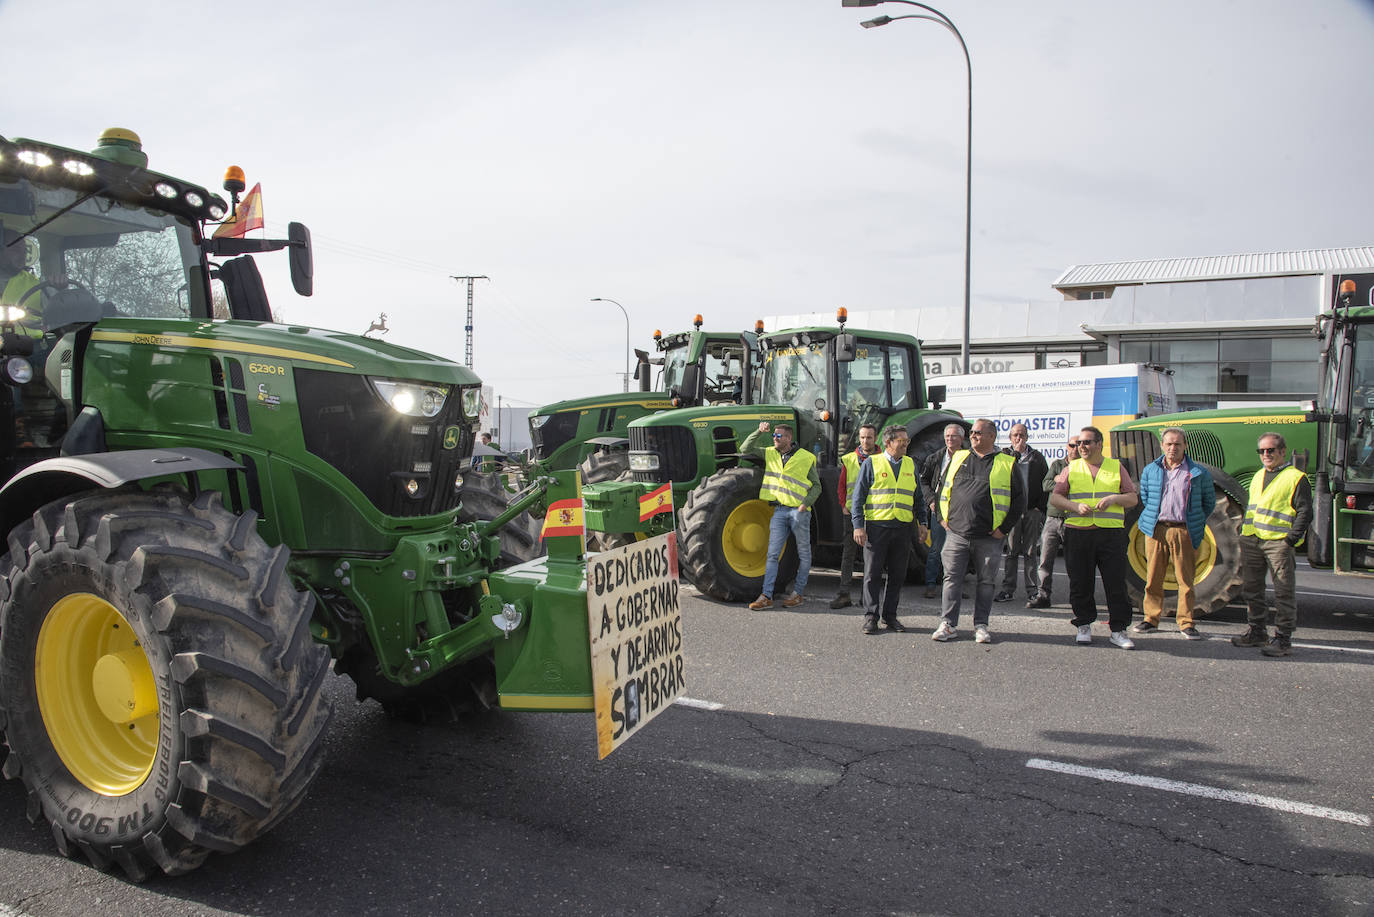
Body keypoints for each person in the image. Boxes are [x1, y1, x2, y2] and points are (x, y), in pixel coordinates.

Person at [931, 418, 1023, 645]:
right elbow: (941, 488)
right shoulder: (958, 457)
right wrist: (941, 518)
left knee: (986, 581)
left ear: (992, 436)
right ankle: (948, 624)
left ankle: (981, 625)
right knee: (951, 578)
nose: (972, 436)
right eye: (971, 432)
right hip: (957, 534)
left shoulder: (1007, 463)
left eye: (978, 433)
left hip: (989, 537)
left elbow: (1019, 500)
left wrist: (1003, 529)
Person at [1050, 426, 1139, 648]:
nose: (1082, 447)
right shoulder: (1072, 468)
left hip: (1110, 534)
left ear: (1099, 444)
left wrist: (1114, 499)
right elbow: (1055, 498)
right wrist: (1073, 506)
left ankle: (1118, 630)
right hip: (1078, 533)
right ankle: (1083, 625)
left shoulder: (1116, 466)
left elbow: (1132, 499)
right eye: (1079, 443)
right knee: (1080, 583)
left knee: (1115, 583)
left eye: (1087, 442)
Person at [1130, 428, 1216, 639]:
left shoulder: (1198, 473)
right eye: (1168, 444)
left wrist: (1193, 520)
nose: (1172, 448)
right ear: (1162, 446)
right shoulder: (1151, 470)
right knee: (1153, 578)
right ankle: (1151, 618)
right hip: (1157, 529)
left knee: (1185, 580)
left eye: (1177, 444)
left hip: (1182, 530)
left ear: (1185, 446)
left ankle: (1186, 622)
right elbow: (1147, 497)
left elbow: (1209, 502)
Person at [1232, 432, 1311, 657]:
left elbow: (1305, 511)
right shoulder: (1258, 475)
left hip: (1278, 542)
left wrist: (1290, 539)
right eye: (1262, 451)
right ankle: (1257, 631)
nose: (1266, 454)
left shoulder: (1296, 477)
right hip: (1252, 538)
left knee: (1283, 591)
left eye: (1271, 450)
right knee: (1251, 589)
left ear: (1282, 451)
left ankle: (1283, 639)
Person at [851, 425, 927, 634]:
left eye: (906, 441)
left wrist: (923, 523)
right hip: (876, 528)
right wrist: (858, 526)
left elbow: (918, 498)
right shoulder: (872, 463)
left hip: (903, 528)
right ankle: (870, 617)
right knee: (872, 575)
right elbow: (858, 498)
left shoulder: (911, 465)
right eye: (901, 441)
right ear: (888, 442)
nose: (905, 444)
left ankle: (890, 616)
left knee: (897, 575)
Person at [741, 421, 819, 610]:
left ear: (789, 438)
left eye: (778, 436)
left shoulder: (806, 457)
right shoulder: (770, 453)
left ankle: (798, 594)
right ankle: (766, 596)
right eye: (773, 435)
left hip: (799, 512)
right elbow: (745, 448)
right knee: (772, 554)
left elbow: (817, 486)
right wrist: (759, 431)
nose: (774, 439)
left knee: (804, 554)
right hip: (779, 511)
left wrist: (804, 505)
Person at [995, 423, 1049, 603]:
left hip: (1031, 511)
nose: (1019, 438)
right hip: (1012, 511)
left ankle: (1032, 590)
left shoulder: (1037, 458)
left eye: (1022, 435)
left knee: (1031, 551)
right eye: (1015, 435)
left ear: (1027, 437)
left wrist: (1039, 507)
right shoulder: (1004, 456)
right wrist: (1015, 454)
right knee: (1011, 551)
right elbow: (1001, 476)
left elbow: (1045, 483)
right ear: (1010, 438)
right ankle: (1008, 589)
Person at [831, 423, 879, 609]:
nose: (865, 441)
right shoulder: (850, 459)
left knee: (871, 558)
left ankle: (866, 597)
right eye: (862, 437)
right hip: (851, 514)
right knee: (848, 555)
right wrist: (843, 505)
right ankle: (844, 594)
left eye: (869, 437)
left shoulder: (882, 459)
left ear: (875, 439)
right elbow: (842, 485)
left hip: (874, 514)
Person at [1027, 433, 1077, 609]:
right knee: (1045, 560)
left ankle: (1076, 598)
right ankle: (1043, 596)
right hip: (1053, 518)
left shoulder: (1084, 467)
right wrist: (1062, 483)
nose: (1075, 448)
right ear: (1066, 447)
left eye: (1079, 445)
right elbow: (1046, 485)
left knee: (1074, 563)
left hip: (1073, 519)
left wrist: (1061, 481)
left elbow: (1079, 487)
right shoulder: (1057, 464)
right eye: (1072, 445)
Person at [921, 424, 965, 599]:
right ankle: (931, 584)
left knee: (959, 551)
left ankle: (955, 587)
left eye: (953, 436)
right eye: (947, 436)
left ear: (961, 438)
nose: (949, 439)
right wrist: (931, 501)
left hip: (961, 512)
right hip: (940, 510)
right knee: (936, 549)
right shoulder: (935, 458)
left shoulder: (969, 458)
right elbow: (923, 482)